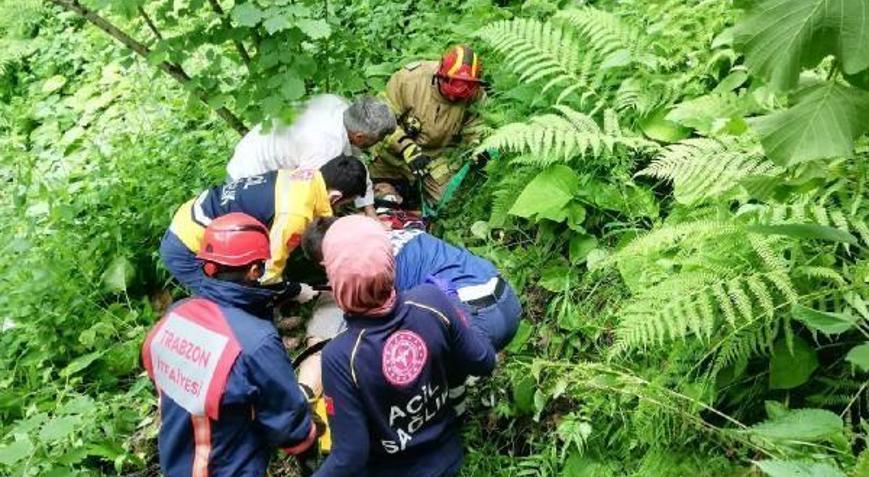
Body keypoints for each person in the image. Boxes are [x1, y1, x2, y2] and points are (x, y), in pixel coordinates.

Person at [310, 216, 496, 477]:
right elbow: (484, 361)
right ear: (389, 260)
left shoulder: (339, 356)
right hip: (448, 459)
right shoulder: (431, 301)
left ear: (334, 278)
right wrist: (459, 317)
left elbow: (350, 455)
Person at [142, 213, 319, 477]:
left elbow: (152, 365)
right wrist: (309, 445)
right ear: (255, 270)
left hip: (177, 461)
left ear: (209, 266)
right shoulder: (255, 341)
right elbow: (289, 424)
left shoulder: (176, 314)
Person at [160, 155, 366, 295]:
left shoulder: (302, 176)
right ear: (335, 197)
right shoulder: (295, 214)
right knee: (228, 301)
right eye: (344, 203)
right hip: (189, 245)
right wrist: (295, 291)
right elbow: (268, 274)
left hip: (192, 213)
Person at [227, 95, 397, 218]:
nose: (378, 142)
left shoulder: (340, 107)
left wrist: (369, 211)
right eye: (377, 139)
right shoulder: (325, 146)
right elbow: (310, 197)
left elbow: (356, 162)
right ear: (359, 136)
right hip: (250, 180)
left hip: (260, 154)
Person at [371, 44, 487, 208]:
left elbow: (476, 128)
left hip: (434, 160)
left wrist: (478, 148)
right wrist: (406, 148)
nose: (456, 97)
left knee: (447, 204)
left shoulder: (476, 94)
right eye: (453, 87)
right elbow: (379, 120)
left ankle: (420, 202)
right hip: (393, 156)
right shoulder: (408, 80)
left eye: (466, 89)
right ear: (440, 75)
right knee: (380, 200)